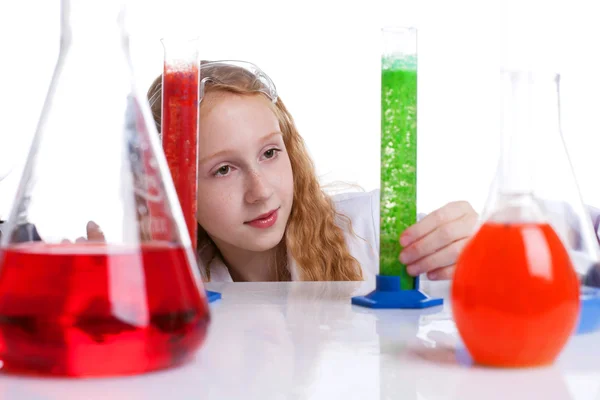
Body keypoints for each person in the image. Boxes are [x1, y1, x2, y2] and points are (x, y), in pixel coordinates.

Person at [146, 60, 479, 283]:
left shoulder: (373, 231)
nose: (260, 191)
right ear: (170, 188)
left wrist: (478, 251)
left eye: (270, 152)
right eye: (223, 169)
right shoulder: (174, 282)